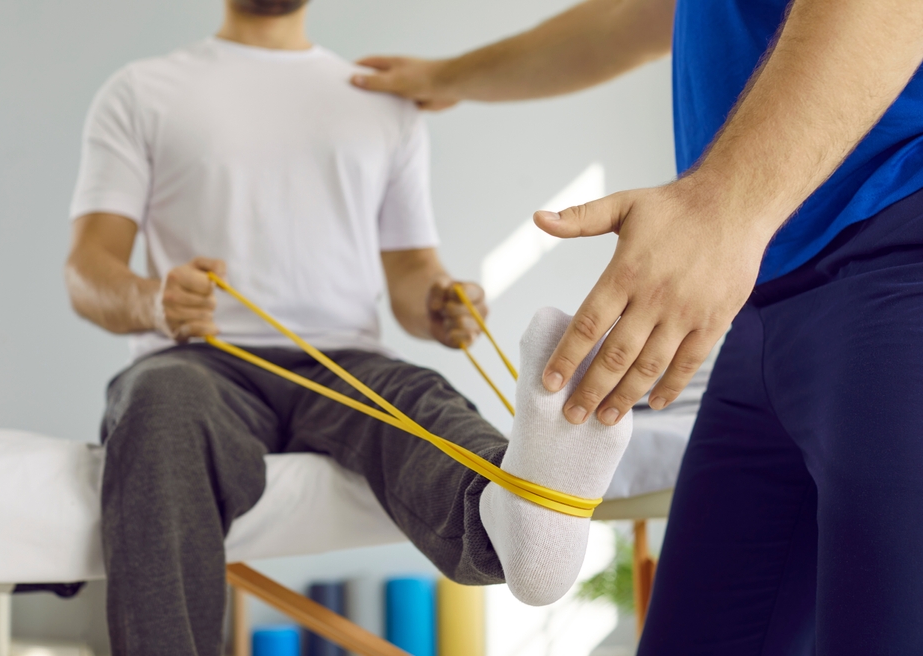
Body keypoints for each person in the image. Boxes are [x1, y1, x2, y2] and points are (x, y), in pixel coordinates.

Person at [351, 0, 923, 652]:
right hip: (767, 303)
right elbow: (633, 20)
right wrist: (447, 77)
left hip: (896, 264)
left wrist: (722, 205)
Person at [64, 1, 632, 653]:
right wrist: (151, 302)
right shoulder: (141, 91)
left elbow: (413, 274)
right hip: (199, 359)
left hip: (344, 361)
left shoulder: (384, 102)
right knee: (160, 407)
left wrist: (443, 303)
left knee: (419, 401)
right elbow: (87, 269)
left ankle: (517, 520)